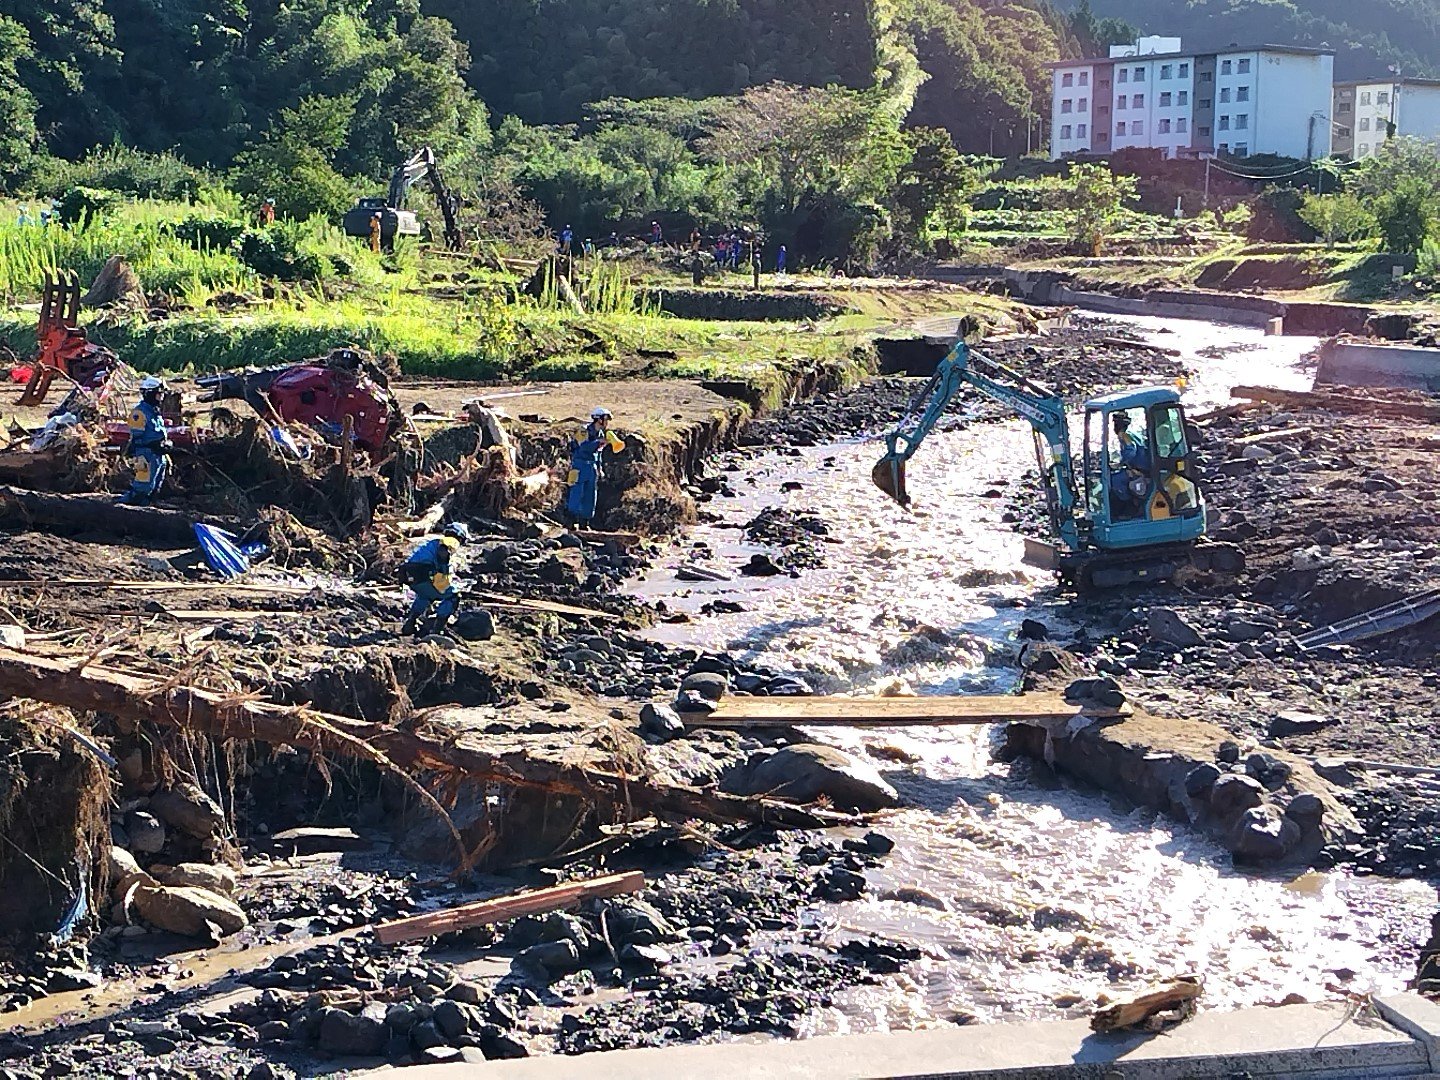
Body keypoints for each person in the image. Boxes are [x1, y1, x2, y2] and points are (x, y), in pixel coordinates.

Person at [401, 522, 470, 637]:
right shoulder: (450, 542)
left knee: (426, 595)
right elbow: (443, 557)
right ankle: (437, 629)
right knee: (453, 596)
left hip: (409, 576)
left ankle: (410, 623)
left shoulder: (432, 543)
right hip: (424, 575)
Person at [566, 407, 624, 528]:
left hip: (592, 467)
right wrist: (599, 442)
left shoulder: (601, 434)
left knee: (591, 495)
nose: (607, 422)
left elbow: (598, 453)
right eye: (605, 419)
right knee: (577, 493)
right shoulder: (583, 431)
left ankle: (584, 523)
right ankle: (572, 521)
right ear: (598, 419)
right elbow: (583, 447)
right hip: (579, 465)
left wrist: (599, 467)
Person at [120, 376, 172, 505]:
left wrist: (166, 444)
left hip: (159, 455)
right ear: (150, 394)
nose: (161, 398)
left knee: (155, 488)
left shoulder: (155, 413)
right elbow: (136, 438)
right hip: (147, 455)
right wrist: (153, 445)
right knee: (142, 488)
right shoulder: (139, 413)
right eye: (159, 394)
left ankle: (149, 509)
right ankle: (127, 509)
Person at [1110, 412, 1151, 519]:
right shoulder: (1133, 432)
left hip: (1141, 470)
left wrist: (1120, 464)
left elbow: (1131, 450)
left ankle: (1129, 506)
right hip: (1143, 467)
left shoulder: (1124, 435)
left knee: (1114, 480)